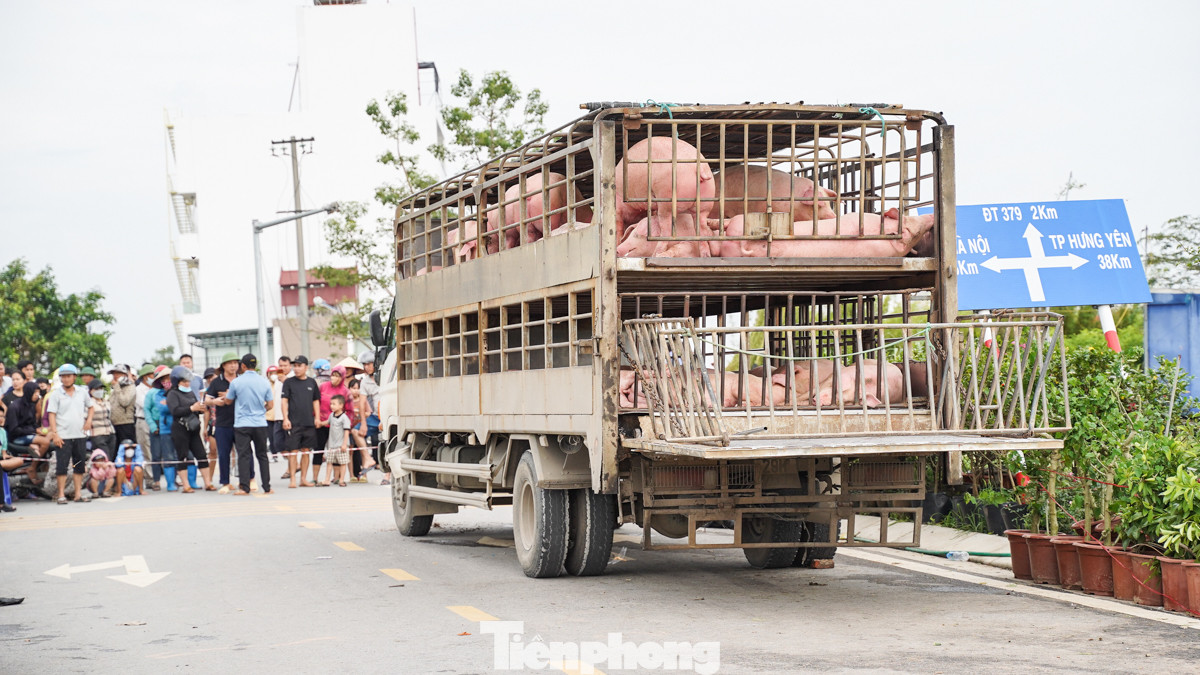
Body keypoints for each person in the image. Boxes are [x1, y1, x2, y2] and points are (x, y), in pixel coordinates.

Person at [46, 364, 94, 504]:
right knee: (62, 466)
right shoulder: (56, 394)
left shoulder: (82, 392)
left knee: (78, 465)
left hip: (79, 435)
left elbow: (90, 407)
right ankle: (61, 495)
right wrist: (55, 434)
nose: (66, 379)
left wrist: (88, 421)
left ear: (74, 377)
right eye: (63, 376)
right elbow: (52, 415)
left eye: (68, 376)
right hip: (63, 436)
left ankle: (78, 494)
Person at [226, 353, 274, 495]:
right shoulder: (264, 382)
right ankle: (267, 487)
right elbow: (270, 405)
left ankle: (245, 487)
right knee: (262, 455)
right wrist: (260, 410)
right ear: (256, 365)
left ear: (243, 366)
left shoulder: (236, 382)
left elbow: (228, 401)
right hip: (260, 422)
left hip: (242, 423)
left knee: (244, 456)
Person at [166, 365, 213, 492]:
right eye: (184, 381)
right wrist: (191, 408)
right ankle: (186, 485)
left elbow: (195, 409)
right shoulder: (172, 394)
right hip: (180, 429)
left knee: (202, 455)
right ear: (177, 382)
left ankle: (208, 483)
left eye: (188, 381)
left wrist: (200, 409)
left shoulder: (191, 393)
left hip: (193, 429)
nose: (187, 383)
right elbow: (175, 411)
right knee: (183, 456)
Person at [280, 355, 319, 489]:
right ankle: (292, 479)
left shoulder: (312, 382)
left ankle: (303, 479)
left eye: (299, 366)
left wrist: (317, 417)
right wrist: (285, 418)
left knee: (306, 451)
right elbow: (284, 401)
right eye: (294, 366)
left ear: (306, 367)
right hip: (293, 422)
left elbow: (316, 401)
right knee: (293, 451)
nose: (296, 368)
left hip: (308, 422)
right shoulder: (288, 382)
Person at [205, 353, 240, 491]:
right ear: (223, 365)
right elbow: (206, 400)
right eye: (230, 363)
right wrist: (215, 401)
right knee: (223, 454)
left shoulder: (241, 379)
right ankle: (225, 482)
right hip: (222, 423)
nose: (233, 366)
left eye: (235, 363)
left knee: (243, 453)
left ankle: (246, 480)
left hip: (241, 422)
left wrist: (229, 395)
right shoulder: (216, 381)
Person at [314, 365, 350, 485]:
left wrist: (347, 424)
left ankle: (338, 478)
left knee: (339, 455)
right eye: (333, 375)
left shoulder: (345, 391)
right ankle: (316, 477)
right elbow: (316, 402)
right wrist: (317, 419)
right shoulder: (323, 386)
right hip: (323, 423)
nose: (334, 378)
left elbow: (349, 411)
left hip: (338, 428)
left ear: (342, 377)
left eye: (337, 376)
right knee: (319, 450)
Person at [145, 366, 178, 491]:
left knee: (172, 454)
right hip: (156, 423)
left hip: (171, 424)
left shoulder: (174, 391)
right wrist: (153, 426)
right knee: (156, 454)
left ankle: (174, 480)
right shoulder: (152, 393)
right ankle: (157, 480)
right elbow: (147, 411)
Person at [359, 351, 387, 485]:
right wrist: (363, 424)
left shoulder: (387, 375)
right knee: (356, 431)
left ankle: (387, 477)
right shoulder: (364, 382)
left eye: (369, 364)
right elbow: (361, 402)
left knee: (388, 443)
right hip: (375, 416)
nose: (366, 367)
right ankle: (368, 459)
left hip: (388, 415)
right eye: (364, 365)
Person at [87, 380, 117, 491]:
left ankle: (109, 486)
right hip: (97, 434)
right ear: (91, 391)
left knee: (110, 460)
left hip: (110, 432)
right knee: (104, 461)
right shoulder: (89, 403)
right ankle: (101, 488)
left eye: (101, 389)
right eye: (96, 389)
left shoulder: (106, 402)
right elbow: (86, 419)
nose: (99, 391)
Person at [133, 365, 159, 490]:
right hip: (143, 421)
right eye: (152, 375)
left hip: (157, 421)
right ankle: (150, 479)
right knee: (146, 451)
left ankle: (158, 478)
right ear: (145, 377)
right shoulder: (138, 390)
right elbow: (145, 405)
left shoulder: (157, 389)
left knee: (157, 451)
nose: (153, 377)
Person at [324, 394, 352, 487]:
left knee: (343, 463)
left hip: (341, 445)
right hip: (331, 445)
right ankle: (327, 479)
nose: (331, 406)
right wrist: (319, 423)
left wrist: (344, 444)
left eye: (334, 404)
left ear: (341, 405)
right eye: (331, 404)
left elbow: (347, 431)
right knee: (329, 462)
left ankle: (341, 480)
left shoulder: (344, 418)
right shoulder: (331, 415)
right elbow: (327, 423)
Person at [107, 365, 137, 446]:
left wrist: (116, 387)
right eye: (114, 374)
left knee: (127, 449)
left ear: (125, 375)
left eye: (118, 374)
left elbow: (124, 402)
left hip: (126, 424)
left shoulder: (130, 387)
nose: (115, 376)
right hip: (114, 424)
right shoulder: (116, 389)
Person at [273, 356, 293, 476]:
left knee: (290, 445)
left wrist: (285, 380)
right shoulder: (276, 379)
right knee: (278, 444)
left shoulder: (292, 379)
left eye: (285, 365)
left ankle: (290, 468)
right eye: (281, 365)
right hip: (277, 416)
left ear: (290, 366)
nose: (283, 368)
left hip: (288, 417)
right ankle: (293, 465)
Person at [264, 365, 280, 462]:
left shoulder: (281, 384)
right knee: (271, 437)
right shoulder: (265, 385)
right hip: (268, 416)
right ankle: (274, 454)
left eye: (275, 373)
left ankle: (282, 452)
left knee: (278, 437)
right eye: (271, 373)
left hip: (279, 415)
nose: (273, 375)